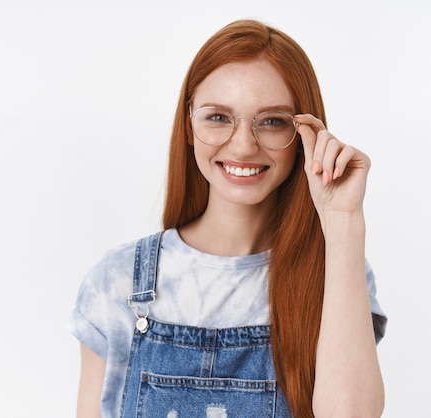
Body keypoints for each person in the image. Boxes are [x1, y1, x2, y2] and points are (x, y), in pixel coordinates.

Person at [67, 19, 386, 418]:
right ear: (189, 127)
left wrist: (343, 222)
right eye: (218, 117)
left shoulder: (334, 274)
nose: (243, 144)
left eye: (272, 121)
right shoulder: (117, 282)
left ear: (305, 137)